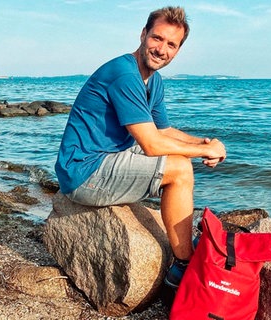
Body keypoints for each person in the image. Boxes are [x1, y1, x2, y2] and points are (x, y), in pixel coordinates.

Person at [54, 6, 226, 289]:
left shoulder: (152, 80)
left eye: (171, 44)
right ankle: (182, 268)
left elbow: (163, 130)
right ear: (143, 33)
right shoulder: (124, 74)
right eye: (157, 38)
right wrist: (203, 153)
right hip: (84, 173)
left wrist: (205, 143)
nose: (162, 49)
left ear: (178, 50)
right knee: (180, 168)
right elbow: (151, 143)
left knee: (178, 156)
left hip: (106, 158)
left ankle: (182, 246)